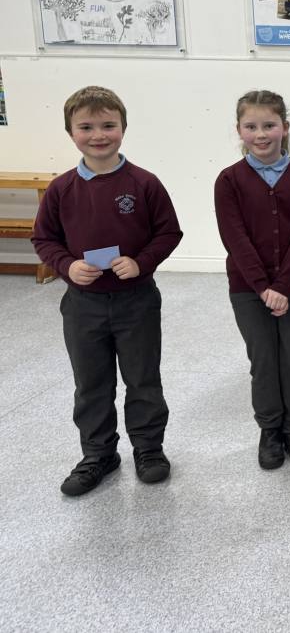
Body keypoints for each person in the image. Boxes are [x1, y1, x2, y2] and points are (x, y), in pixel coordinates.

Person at [32, 86, 183, 496]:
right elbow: (44, 239)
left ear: (123, 128)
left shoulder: (144, 183)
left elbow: (169, 232)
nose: (98, 135)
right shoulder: (61, 189)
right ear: (71, 133)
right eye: (86, 127)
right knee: (91, 384)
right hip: (83, 306)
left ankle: (149, 449)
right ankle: (99, 454)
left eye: (108, 125)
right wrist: (66, 265)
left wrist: (141, 262)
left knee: (143, 379)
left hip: (137, 302)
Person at [215, 90, 290, 470]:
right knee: (263, 360)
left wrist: (284, 287)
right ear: (239, 130)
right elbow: (235, 238)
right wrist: (264, 287)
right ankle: (270, 430)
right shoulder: (229, 181)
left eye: (269, 125)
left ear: (284, 127)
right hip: (248, 290)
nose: (261, 134)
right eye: (251, 126)